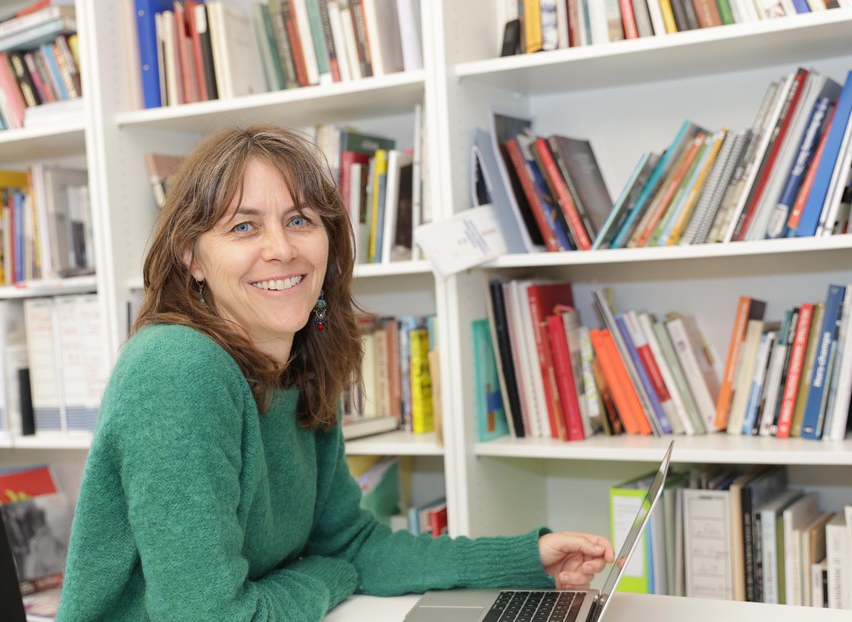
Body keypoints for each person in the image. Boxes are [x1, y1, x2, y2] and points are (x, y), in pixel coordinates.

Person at [57, 124, 614, 621]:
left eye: (299, 220)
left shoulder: (297, 364)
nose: (281, 249)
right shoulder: (176, 369)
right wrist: (328, 575)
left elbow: (349, 542)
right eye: (244, 226)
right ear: (191, 257)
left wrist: (526, 559)